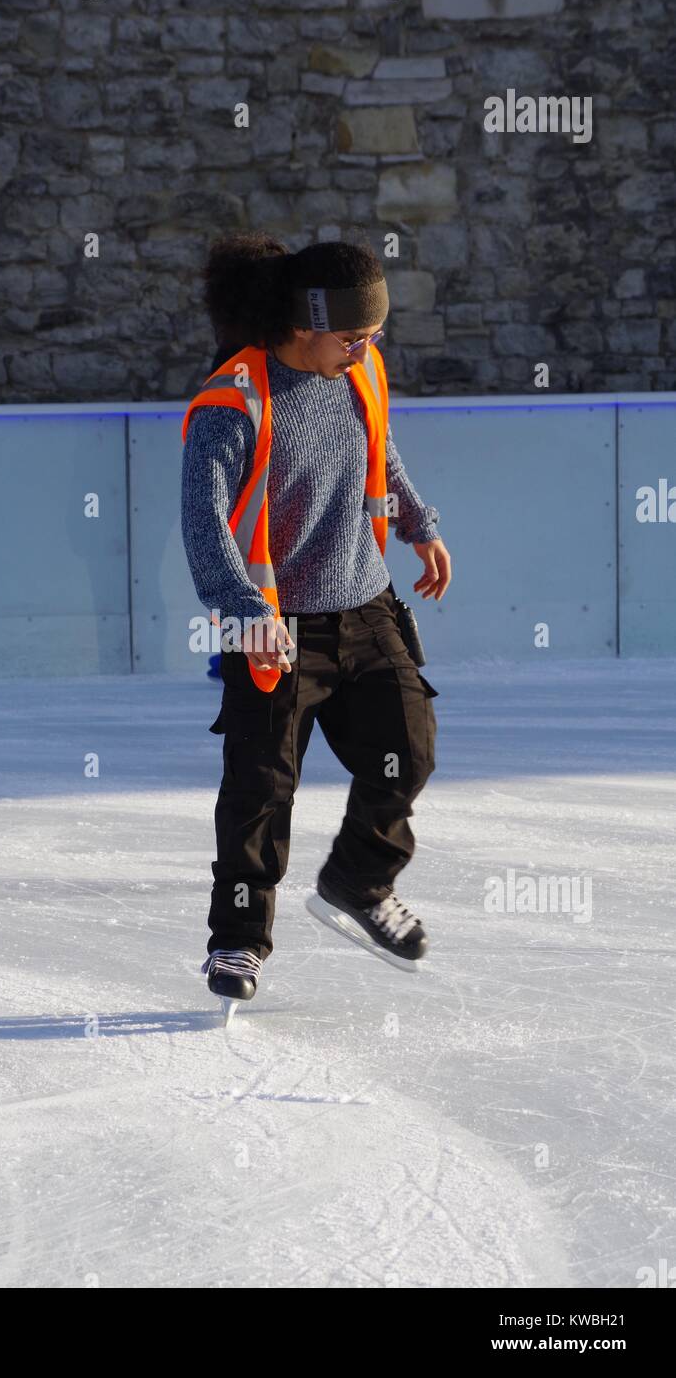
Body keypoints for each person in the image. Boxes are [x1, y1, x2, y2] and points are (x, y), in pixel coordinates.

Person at [180, 231, 452, 1012]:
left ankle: (359, 882)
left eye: (373, 334)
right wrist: (243, 610)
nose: (368, 347)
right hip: (272, 626)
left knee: (409, 748)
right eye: (354, 333)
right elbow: (203, 522)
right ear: (305, 322)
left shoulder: (357, 370)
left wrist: (418, 523)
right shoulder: (235, 400)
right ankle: (237, 939)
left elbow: (379, 451)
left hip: (365, 608)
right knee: (260, 789)